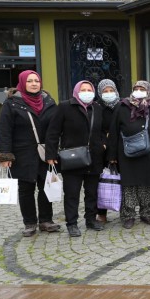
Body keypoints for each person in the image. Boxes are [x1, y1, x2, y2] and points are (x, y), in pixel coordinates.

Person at [0, 70, 60, 237]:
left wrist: (54, 152)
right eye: (30, 81)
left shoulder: (49, 102)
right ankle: (30, 223)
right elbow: (4, 130)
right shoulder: (12, 103)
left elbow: (56, 130)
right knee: (26, 189)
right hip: (22, 154)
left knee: (46, 187)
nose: (34, 84)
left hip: (45, 153)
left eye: (36, 81)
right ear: (23, 83)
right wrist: (5, 155)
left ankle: (46, 220)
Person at [45, 80, 106, 237]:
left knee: (92, 192)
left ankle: (91, 220)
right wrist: (51, 155)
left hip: (94, 158)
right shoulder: (65, 107)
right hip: (73, 158)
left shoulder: (97, 108)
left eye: (89, 89)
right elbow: (53, 132)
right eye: (83, 89)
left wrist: (103, 145)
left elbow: (102, 131)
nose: (86, 92)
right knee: (72, 193)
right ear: (76, 91)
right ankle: (72, 223)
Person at [106, 80, 150, 228]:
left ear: (149, 91)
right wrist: (112, 156)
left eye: (142, 88)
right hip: (127, 153)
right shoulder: (122, 106)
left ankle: (147, 212)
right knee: (129, 184)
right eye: (136, 88)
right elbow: (113, 132)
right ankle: (128, 215)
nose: (138, 91)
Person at [95, 79, 120, 224]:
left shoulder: (122, 105)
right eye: (105, 91)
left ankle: (124, 209)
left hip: (120, 147)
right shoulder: (97, 108)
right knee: (102, 181)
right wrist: (104, 141)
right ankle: (101, 212)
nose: (109, 94)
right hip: (103, 148)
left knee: (121, 178)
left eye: (111, 91)